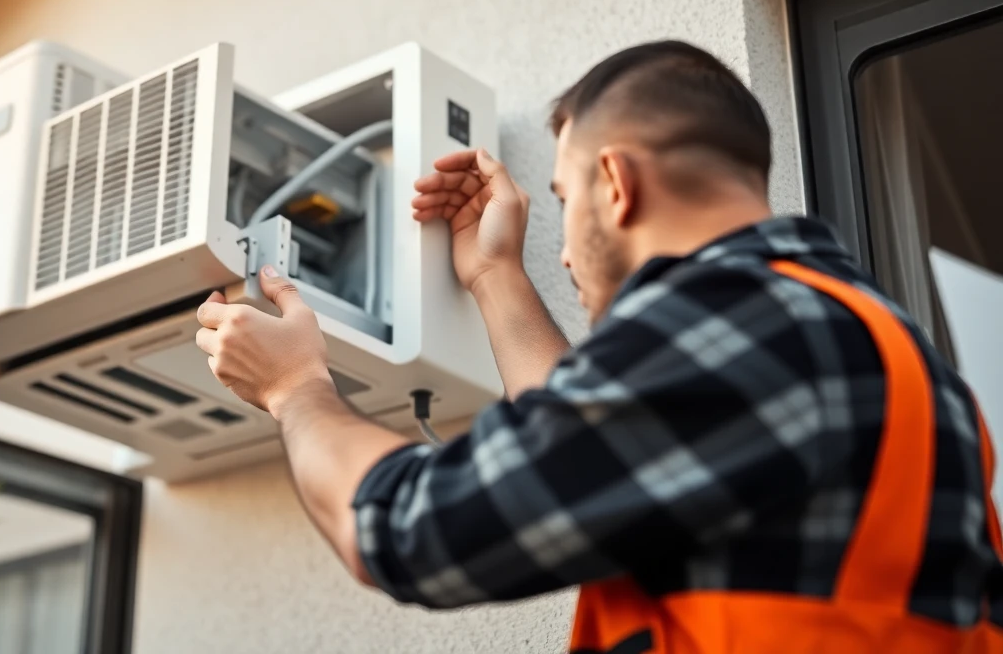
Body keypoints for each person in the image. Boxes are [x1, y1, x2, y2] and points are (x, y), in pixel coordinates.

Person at [194, 41, 1003, 652]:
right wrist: (494, 276)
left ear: (615, 184)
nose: (567, 249)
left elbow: (411, 530)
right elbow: (586, 457)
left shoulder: (739, 325)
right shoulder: (874, 344)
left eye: (564, 195)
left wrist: (297, 388)